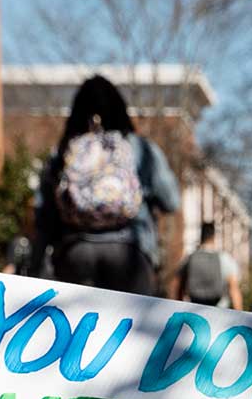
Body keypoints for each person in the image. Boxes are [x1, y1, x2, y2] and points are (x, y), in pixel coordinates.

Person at [30, 75, 179, 295]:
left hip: (75, 253)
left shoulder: (64, 151)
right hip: (130, 254)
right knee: (133, 328)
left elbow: (43, 214)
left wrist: (34, 267)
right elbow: (171, 200)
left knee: (77, 328)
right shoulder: (140, 149)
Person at [174, 220, 240, 310]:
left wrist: (179, 309)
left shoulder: (190, 258)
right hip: (219, 309)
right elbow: (233, 288)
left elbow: (180, 287)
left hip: (194, 307)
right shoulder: (224, 258)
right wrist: (240, 314)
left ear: (201, 236)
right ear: (214, 237)